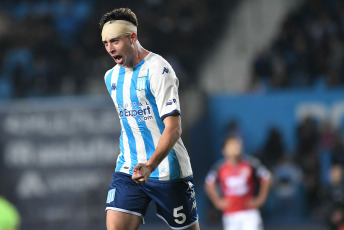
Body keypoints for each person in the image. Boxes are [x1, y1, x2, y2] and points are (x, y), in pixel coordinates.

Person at [99, 8, 199, 230]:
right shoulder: (111, 77)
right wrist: (140, 166)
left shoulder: (159, 70)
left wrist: (150, 165)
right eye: (106, 43)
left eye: (114, 41)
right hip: (129, 168)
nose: (109, 48)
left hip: (167, 171)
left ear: (132, 37)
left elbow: (173, 128)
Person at [205, 135, 271, 230]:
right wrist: (218, 202)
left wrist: (260, 199)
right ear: (224, 150)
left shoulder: (250, 163)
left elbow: (266, 178)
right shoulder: (219, 168)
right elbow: (209, 185)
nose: (236, 147)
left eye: (237, 144)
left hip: (249, 213)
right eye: (231, 145)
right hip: (230, 214)